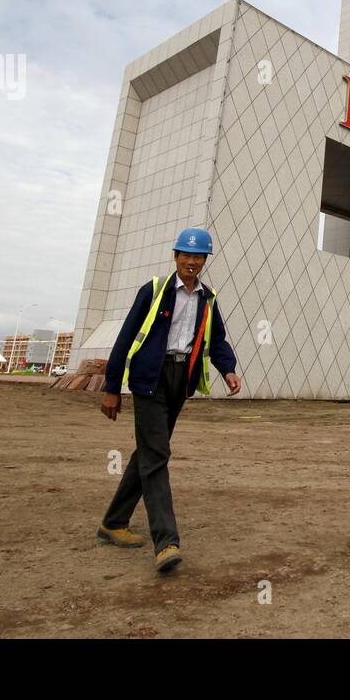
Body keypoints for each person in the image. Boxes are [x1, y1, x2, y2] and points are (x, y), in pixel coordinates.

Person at [96, 227, 241, 573]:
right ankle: (166, 542)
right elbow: (126, 336)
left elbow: (216, 339)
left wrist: (228, 369)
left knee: (148, 452)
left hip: (180, 381)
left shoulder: (207, 297)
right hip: (150, 379)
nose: (191, 262)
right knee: (157, 454)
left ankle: (113, 523)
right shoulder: (155, 290)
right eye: (185, 255)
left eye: (197, 257)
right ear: (175, 257)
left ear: (205, 261)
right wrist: (112, 386)